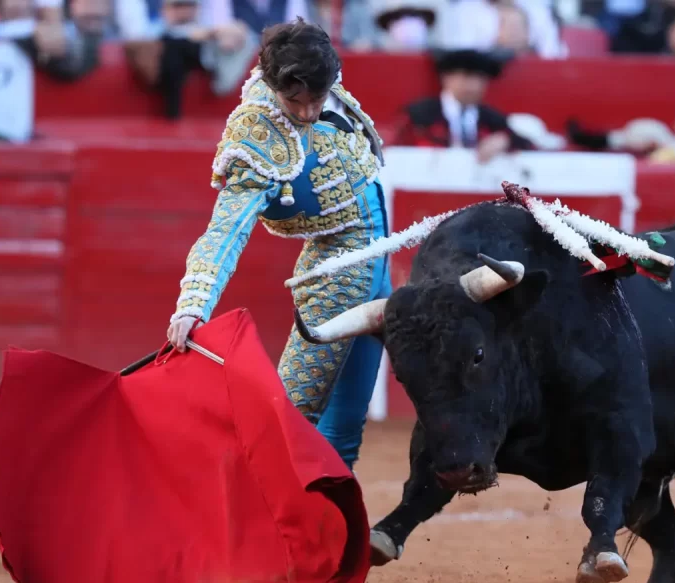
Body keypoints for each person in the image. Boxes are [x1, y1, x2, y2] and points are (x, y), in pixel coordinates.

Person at [166, 18, 389, 471]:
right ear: (272, 84)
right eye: (295, 101)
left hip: (377, 264)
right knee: (287, 422)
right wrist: (194, 302)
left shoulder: (318, 73)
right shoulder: (258, 136)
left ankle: (327, 540)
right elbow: (226, 229)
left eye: (317, 99)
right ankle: (244, 531)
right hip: (338, 275)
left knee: (344, 427)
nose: (307, 111)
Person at [393, 48, 533, 162]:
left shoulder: (493, 119)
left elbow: (529, 146)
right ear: (446, 78)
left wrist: (505, 140)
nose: (474, 86)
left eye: (480, 79)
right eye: (466, 77)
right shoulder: (418, 115)